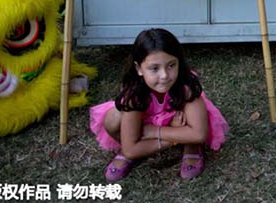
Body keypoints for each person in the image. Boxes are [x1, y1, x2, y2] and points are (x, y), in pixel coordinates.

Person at [89, 28, 229, 181]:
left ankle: (191, 146)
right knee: (114, 118)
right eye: (154, 68)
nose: (164, 75)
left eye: (171, 65)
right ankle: (181, 138)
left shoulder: (185, 86)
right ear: (139, 69)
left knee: (193, 119)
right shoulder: (134, 95)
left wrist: (156, 131)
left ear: (179, 62)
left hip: (175, 120)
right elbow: (131, 150)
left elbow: (199, 134)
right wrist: (177, 135)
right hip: (157, 124)